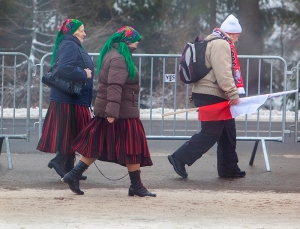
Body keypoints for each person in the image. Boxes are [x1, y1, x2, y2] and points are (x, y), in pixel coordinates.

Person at [61, 26, 156, 197]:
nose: (137, 42)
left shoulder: (115, 55)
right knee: (132, 146)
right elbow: (114, 86)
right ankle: (136, 185)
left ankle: (74, 175)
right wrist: (112, 112)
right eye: (135, 39)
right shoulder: (119, 58)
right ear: (126, 41)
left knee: (99, 144)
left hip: (117, 110)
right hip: (120, 112)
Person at [168, 14, 246, 179]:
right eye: (237, 36)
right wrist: (232, 92)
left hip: (210, 93)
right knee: (210, 133)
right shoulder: (221, 45)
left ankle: (229, 167)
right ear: (230, 33)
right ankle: (179, 157)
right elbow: (223, 72)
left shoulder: (210, 42)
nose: (237, 40)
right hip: (212, 95)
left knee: (228, 131)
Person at [37, 19, 94, 181]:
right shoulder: (70, 45)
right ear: (73, 31)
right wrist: (84, 74)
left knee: (72, 133)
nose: (84, 33)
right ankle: (60, 161)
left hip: (71, 99)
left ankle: (68, 167)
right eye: (82, 30)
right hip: (69, 100)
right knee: (75, 134)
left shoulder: (72, 44)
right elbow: (64, 68)